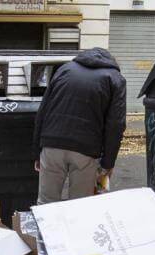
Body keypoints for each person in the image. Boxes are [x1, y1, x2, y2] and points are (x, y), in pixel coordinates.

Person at [32, 47, 126, 204]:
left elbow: (43, 111)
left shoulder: (65, 69)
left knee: (45, 203)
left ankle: (46, 228)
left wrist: (37, 151)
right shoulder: (115, 78)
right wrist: (108, 163)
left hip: (52, 144)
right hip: (86, 150)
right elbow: (115, 124)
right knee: (80, 206)